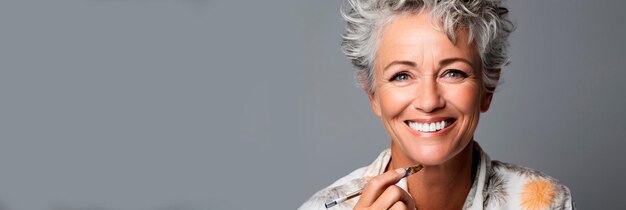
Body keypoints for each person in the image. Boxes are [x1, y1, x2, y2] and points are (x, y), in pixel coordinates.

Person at [299, 0, 574, 209]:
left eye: (453, 73)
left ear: (487, 88)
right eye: (402, 76)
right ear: (373, 95)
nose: (429, 101)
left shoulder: (545, 201)